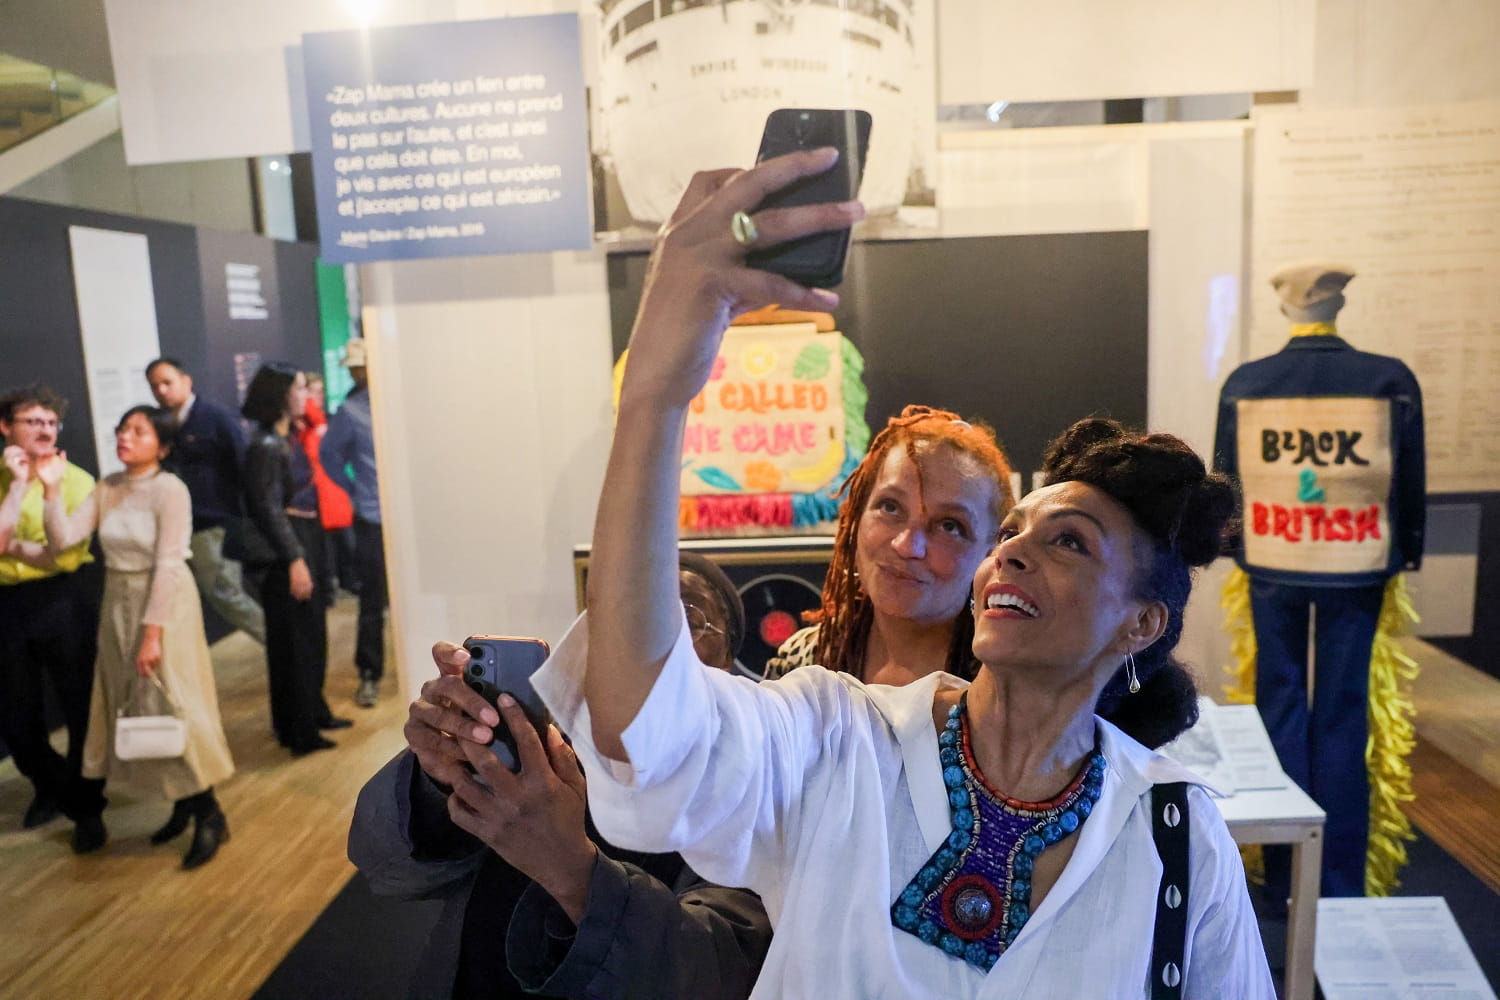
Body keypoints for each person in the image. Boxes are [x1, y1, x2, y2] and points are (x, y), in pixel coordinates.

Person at [532, 154, 1275, 996]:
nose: (1011, 553)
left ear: (1142, 622)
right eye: (1013, 533)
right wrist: (656, 397)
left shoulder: (1177, 836)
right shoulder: (838, 739)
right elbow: (649, 733)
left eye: (1068, 542)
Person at [348, 552, 769, 999]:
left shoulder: (747, 790)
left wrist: (573, 871)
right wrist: (437, 781)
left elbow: (720, 970)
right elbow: (382, 867)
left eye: (689, 616)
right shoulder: (537, 739)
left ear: (728, 661)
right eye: (629, 616)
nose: (653, 635)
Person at [1213, 262, 1426, 901]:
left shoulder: (1248, 382)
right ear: (1338, 306)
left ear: (1288, 309)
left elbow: (1226, 478)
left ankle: (1284, 875)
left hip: (1272, 558)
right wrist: (1407, 551)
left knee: (1279, 703)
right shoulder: (1388, 379)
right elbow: (1409, 478)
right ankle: (1337, 882)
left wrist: (1231, 545)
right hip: (1357, 563)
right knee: (1344, 713)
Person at [37, 406, 236, 867]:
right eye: (123, 429)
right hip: (117, 603)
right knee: (139, 704)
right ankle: (183, 802)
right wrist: (50, 490)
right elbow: (63, 539)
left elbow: (168, 563)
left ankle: (208, 810)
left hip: (165, 607)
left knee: (174, 702)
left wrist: (152, 635)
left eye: (138, 431)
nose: (125, 437)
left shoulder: (170, 489)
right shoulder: (108, 486)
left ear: (162, 447)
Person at [766, 405, 1015, 685]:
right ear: (857, 514)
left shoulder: (1011, 681)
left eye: (949, 526)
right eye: (890, 507)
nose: (907, 546)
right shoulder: (803, 663)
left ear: (990, 553)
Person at [0, 384, 107, 849]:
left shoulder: (78, 481)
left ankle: (87, 807)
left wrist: (14, 544)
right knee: (15, 714)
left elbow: (64, 556)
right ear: (6, 427)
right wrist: (17, 486)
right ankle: (50, 785)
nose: (45, 430)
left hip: (64, 600)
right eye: (33, 421)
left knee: (79, 705)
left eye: (51, 422)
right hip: (7, 604)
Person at [241, 363, 347, 757]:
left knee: (308, 634)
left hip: (302, 538)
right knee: (295, 640)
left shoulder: (284, 438)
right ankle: (299, 729)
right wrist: (295, 559)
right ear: (281, 394)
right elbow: (269, 510)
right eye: (300, 388)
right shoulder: (267, 446)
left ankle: (311, 714)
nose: (308, 395)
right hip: (289, 548)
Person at [145, 358, 266, 644]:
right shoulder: (164, 424)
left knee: (225, 593)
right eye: (155, 386)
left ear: (186, 381)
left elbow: (245, 463)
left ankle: (280, 645)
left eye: (167, 382)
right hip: (181, 525)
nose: (161, 391)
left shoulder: (214, 417)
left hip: (214, 523)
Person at [321, 339, 387, 708]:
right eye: (353, 368)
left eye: (360, 366)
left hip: (405, 520)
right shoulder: (350, 410)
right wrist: (353, 488)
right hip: (372, 517)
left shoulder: (398, 402)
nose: (356, 373)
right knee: (372, 600)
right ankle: (369, 673)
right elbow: (329, 454)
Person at [293, 374, 356, 607]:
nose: (317, 396)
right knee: (326, 548)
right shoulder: (309, 424)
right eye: (312, 391)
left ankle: (340, 584)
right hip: (318, 493)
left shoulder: (321, 423)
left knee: (339, 545)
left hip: (330, 491)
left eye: (321, 391)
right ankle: (331, 589)